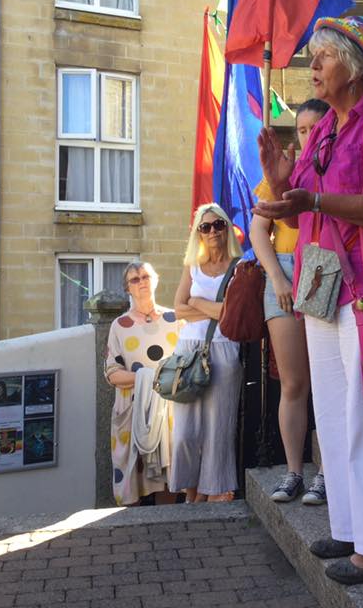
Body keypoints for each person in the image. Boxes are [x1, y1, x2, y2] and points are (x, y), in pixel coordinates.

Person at [255, 15, 363, 585]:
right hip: (325, 285)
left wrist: (316, 201)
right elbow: (302, 198)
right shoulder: (325, 129)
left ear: (352, 67)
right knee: (332, 408)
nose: (313, 66)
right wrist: (280, 181)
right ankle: (353, 528)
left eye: (322, 56)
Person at [250, 99, 329, 505]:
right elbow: (258, 231)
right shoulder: (281, 173)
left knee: (328, 382)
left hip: (323, 268)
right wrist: (278, 276)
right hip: (283, 270)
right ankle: (295, 471)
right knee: (294, 382)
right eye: (301, 129)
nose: (308, 135)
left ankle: (326, 473)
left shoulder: (334, 168)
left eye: (315, 127)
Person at [170, 203, 244, 503]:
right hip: (189, 351)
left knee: (218, 429)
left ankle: (214, 493)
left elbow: (230, 314)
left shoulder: (240, 268)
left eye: (218, 225)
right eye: (205, 226)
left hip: (225, 349)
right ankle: (190, 495)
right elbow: (177, 309)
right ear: (198, 234)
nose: (212, 231)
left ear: (227, 229)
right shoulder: (193, 266)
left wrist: (195, 302)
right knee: (186, 431)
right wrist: (211, 307)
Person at [104, 261, 181, 506]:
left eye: (145, 276)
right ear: (128, 288)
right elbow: (112, 374)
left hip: (168, 409)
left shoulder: (175, 319)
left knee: (168, 475)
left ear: (156, 280)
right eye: (134, 280)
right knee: (129, 475)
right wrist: (148, 377)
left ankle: (167, 531)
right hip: (131, 410)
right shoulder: (119, 326)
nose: (141, 283)